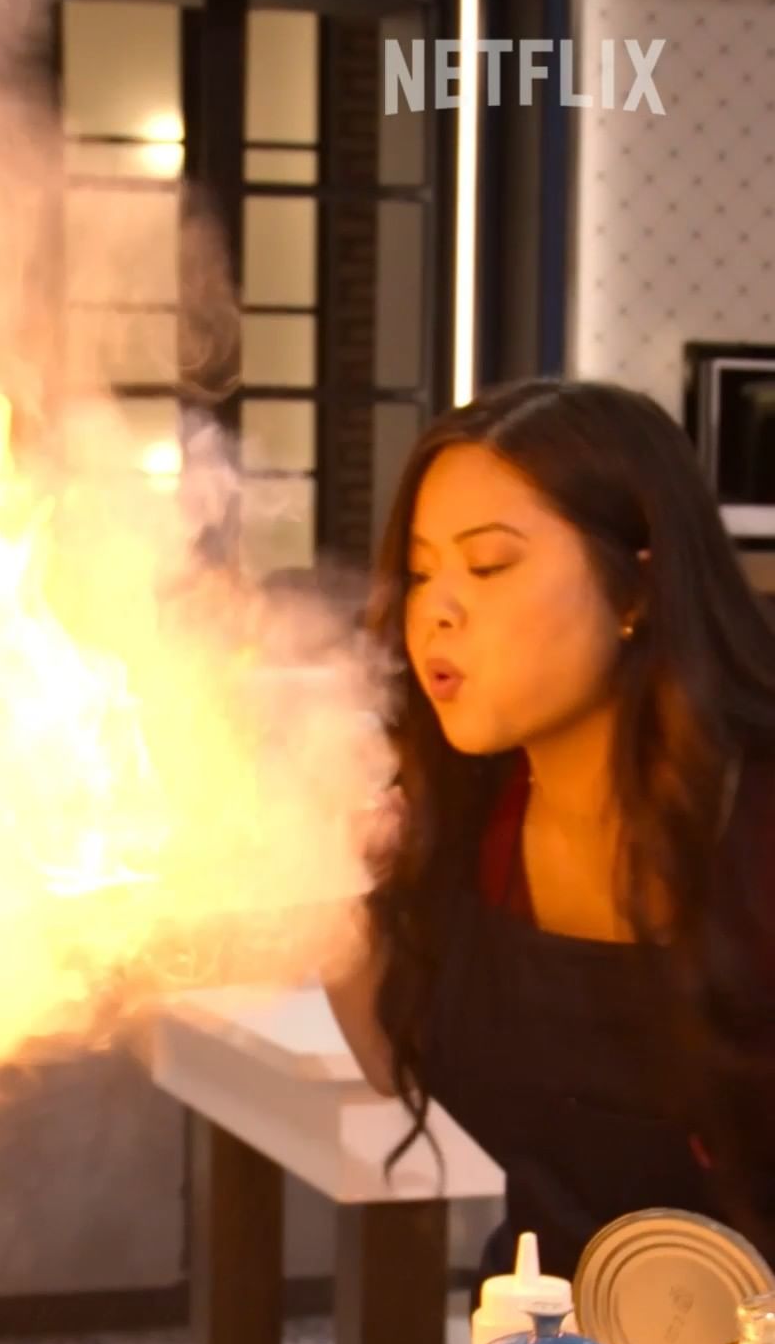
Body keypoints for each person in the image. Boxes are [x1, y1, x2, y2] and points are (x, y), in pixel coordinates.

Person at [326, 376, 775, 1295]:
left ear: (636, 585)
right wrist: (320, 881)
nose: (437, 610)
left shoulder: (755, 831)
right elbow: (393, 1059)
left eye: (489, 566)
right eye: (421, 572)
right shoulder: (464, 824)